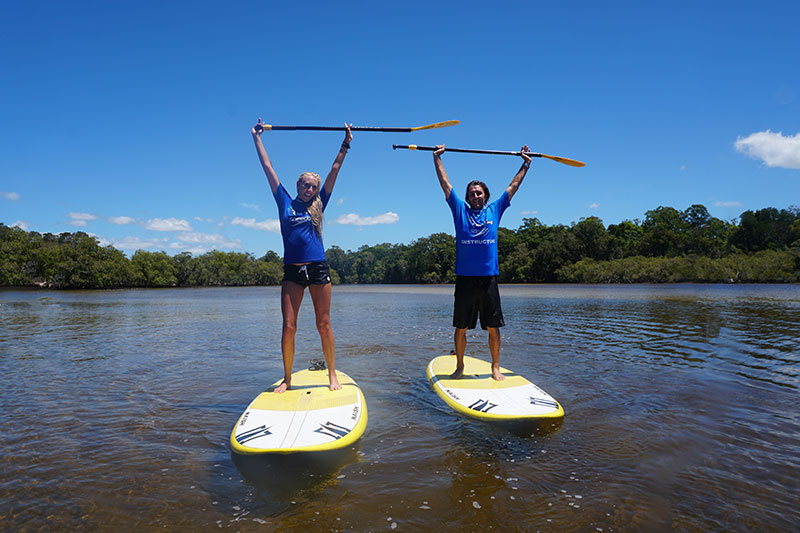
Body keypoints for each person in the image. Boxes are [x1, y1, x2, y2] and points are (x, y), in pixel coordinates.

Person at [251, 118, 352, 393]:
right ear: (298, 185)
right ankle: (287, 378)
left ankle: (332, 375)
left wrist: (345, 143)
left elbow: (334, 170)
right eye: (305, 185)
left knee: (323, 323)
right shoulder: (284, 201)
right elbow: (267, 167)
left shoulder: (320, 204)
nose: (309, 189)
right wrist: (257, 138)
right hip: (292, 271)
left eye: (312, 186)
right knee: (289, 327)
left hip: (318, 268)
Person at [432, 144, 532, 381]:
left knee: (494, 328)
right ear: (467, 198)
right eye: (472, 193)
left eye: (479, 193)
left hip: (488, 280)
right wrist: (437, 159)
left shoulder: (494, 211)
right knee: (461, 327)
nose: (475, 196)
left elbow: (513, 186)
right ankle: (459, 367)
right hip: (465, 280)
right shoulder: (460, 211)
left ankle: (495, 367)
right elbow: (446, 184)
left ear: (485, 195)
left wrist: (525, 164)